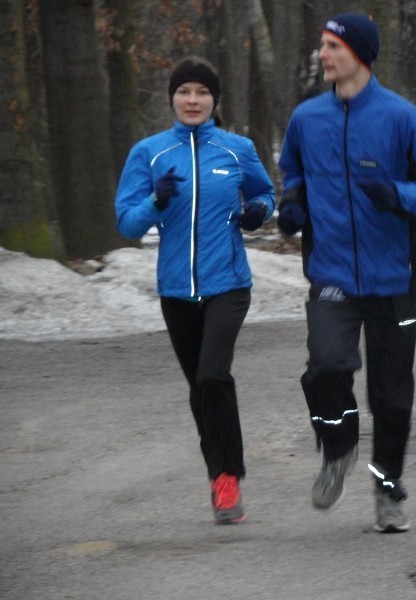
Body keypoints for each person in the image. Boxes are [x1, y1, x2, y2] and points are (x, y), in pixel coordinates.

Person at [276, 13, 416, 533]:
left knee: (391, 396)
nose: (323, 54)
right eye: (322, 45)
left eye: (333, 45)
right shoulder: (306, 118)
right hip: (331, 273)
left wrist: (399, 196)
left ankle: (387, 490)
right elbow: (292, 171)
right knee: (327, 368)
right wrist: (292, 204)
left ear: (359, 53)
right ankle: (338, 446)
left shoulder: (400, 117)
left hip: (393, 278)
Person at [115, 57, 275, 524]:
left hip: (228, 284)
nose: (192, 100)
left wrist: (256, 212)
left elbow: (265, 194)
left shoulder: (236, 149)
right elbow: (127, 223)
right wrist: (155, 200)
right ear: (172, 98)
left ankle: (229, 478)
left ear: (214, 100)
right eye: (184, 91)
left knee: (212, 376)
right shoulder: (149, 153)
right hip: (176, 290)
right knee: (198, 387)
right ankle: (218, 474)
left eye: (201, 93)